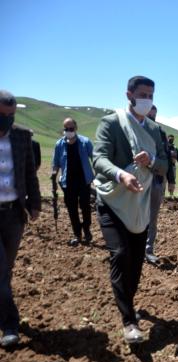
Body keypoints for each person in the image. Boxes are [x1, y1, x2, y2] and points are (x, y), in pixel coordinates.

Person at [93, 76, 168, 344]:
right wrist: (120, 175)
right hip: (113, 199)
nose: (148, 99)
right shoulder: (112, 123)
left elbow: (164, 166)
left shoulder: (154, 130)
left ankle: (129, 302)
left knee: (136, 261)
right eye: (143, 94)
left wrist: (152, 161)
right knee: (120, 253)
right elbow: (99, 158)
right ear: (129, 95)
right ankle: (129, 321)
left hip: (140, 201)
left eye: (151, 94)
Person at [0, 90, 41, 348]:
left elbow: (29, 173)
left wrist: (35, 203)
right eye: (2, 115)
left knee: (7, 269)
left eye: (11, 115)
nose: (6, 120)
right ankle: (10, 325)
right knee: (1, 270)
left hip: (14, 212)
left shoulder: (22, 137)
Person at [51, 117, 95, 246]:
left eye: (71, 128)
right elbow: (56, 163)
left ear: (76, 128)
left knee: (85, 207)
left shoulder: (85, 142)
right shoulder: (59, 144)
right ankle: (77, 234)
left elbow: (95, 158)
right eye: (66, 129)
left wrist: (100, 175)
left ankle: (86, 230)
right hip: (68, 182)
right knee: (72, 209)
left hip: (84, 180)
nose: (68, 131)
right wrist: (54, 174)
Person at [144, 105, 170, 264]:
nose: (151, 119)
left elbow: (166, 156)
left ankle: (148, 250)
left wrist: (171, 179)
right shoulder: (132, 130)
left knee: (152, 217)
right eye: (149, 116)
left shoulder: (160, 132)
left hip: (156, 179)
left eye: (154, 116)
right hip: (134, 179)